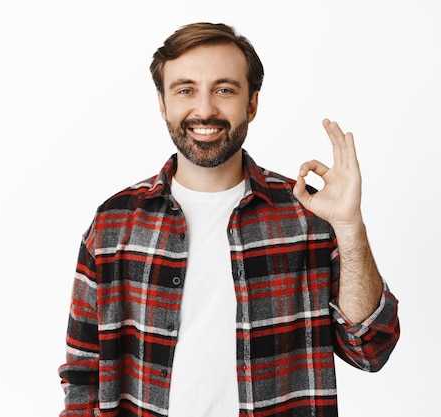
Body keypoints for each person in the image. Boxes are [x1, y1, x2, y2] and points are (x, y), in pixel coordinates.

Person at [58, 22, 400, 417]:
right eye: (186, 90)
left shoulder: (307, 215)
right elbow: (83, 374)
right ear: (162, 103)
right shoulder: (113, 225)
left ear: (252, 103)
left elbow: (371, 349)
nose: (204, 109)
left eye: (224, 89)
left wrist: (350, 226)